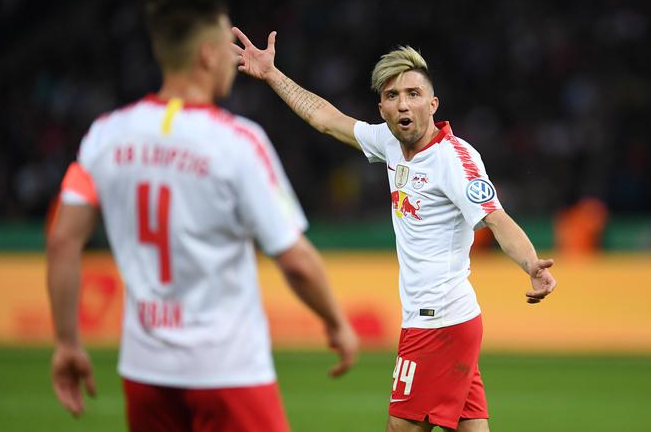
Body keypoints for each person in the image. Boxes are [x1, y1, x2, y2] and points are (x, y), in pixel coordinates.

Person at [46, 0, 358, 432]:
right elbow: (296, 260)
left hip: (145, 370)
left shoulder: (105, 135)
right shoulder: (238, 143)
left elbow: (62, 241)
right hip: (229, 371)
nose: (234, 62)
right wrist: (336, 322)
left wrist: (66, 342)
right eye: (227, 50)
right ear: (208, 55)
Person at [232, 28, 557, 432]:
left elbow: (495, 217)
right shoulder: (388, 142)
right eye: (392, 96)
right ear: (382, 108)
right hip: (447, 321)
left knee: (400, 428)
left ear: (433, 103)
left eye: (413, 94)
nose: (403, 104)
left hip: (437, 321)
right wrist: (271, 75)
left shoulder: (454, 160)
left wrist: (531, 263)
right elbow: (326, 120)